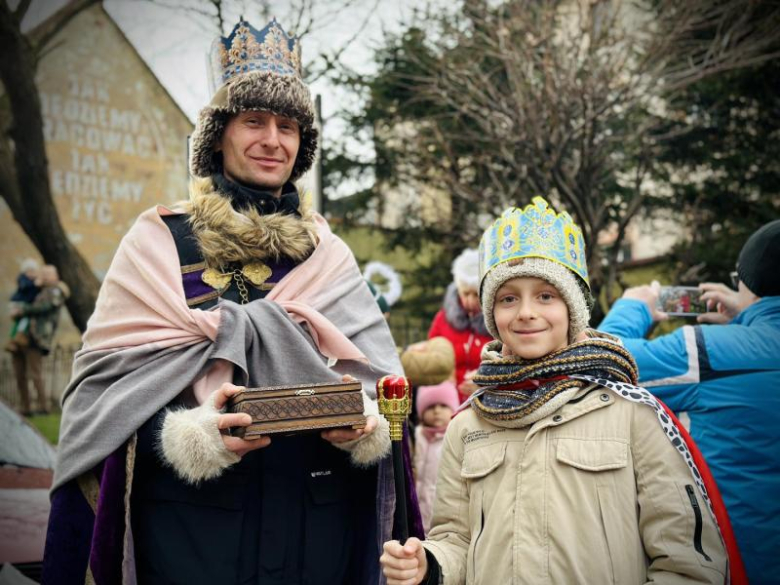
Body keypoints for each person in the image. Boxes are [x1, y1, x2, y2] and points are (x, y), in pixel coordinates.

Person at [44, 18, 405, 585]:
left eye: (288, 126)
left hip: (318, 529)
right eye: (253, 121)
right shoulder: (158, 240)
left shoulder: (327, 254)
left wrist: (363, 428)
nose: (272, 140)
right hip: (194, 532)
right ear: (218, 136)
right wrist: (191, 434)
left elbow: (380, 384)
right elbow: (104, 394)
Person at [381, 197, 730, 585]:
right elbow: (455, 538)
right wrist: (428, 564)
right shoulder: (468, 423)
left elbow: (686, 561)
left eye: (546, 295)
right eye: (508, 298)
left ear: (572, 309)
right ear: (492, 315)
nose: (526, 312)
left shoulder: (633, 415)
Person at [598, 219, 780, 584]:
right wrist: (745, 318)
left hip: (736, 563)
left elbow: (598, 360)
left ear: (750, 287)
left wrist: (634, 306)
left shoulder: (705, 352)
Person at [428, 249, 492, 402]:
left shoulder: (498, 321)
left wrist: (487, 378)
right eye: (465, 294)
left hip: (486, 400)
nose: (469, 300)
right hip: (449, 401)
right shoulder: (443, 318)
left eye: (475, 294)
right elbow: (432, 351)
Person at [9, 264, 68, 416]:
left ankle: (43, 407)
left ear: (56, 276)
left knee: (35, 373)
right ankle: (25, 407)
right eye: (44, 274)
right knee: (19, 373)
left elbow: (43, 307)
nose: (46, 277)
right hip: (23, 336)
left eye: (49, 274)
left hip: (38, 337)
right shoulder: (37, 290)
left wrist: (22, 310)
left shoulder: (56, 291)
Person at [412, 381, 459, 534]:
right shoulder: (415, 436)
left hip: (442, 512)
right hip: (415, 509)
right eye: (431, 407)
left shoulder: (455, 437)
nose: (437, 411)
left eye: (443, 406)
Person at [5, 258, 40, 354]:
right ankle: (17, 337)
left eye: (33, 271)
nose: (32, 273)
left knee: (21, 321)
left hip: (24, 304)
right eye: (30, 271)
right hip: (19, 303)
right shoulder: (23, 279)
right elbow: (25, 287)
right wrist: (35, 283)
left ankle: (15, 338)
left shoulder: (33, 281)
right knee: (23, 320)